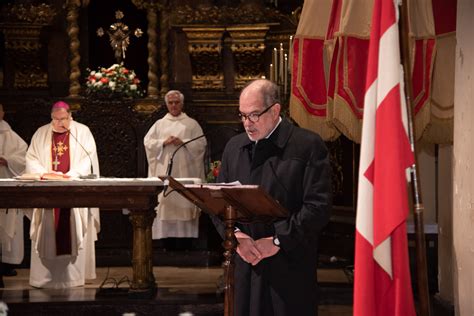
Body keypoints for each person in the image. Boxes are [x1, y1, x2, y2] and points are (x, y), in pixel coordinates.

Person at [211, 79, 332, 316]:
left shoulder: (307, 145)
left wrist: (277, 241)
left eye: (254, 115)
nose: (247, 123)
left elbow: (318, 207)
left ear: (275, 110)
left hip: (289, 265)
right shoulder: (234, 147)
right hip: (245, 261)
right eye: (242, 115)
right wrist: (236, 237)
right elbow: (218, 202)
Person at [25, 101, 100, 289]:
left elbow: (87, 159)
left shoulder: (82, 132)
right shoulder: (41, 133)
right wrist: (44, 174)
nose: (60, 123)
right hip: (47, 192)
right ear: (51, 117)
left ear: (70, 116)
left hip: (74, 192)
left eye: (63, 119)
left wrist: (71, 175)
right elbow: (31, 158)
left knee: (72, 230)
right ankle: (43, 279)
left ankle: (72, 279)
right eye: (56, 119)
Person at [144, 90, 207, 239]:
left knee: (184, 201)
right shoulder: (159, 124)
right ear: (166, 104)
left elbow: (201, 144)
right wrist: (163, 143)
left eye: (176, 102)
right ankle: (164, 242)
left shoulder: (191, 124)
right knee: (166, 202)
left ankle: (186, 242)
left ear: (182, 104)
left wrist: (183, 143)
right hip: (166, 172)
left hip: (185, 171)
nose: (173, 105)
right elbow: (148, 143)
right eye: (170, 103)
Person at [0, 104, 28, 280]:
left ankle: (5, 264)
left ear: (3, 112)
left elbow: (24, 157)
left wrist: (7, 160)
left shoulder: (12, 136)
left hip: (7, 189)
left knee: (7, 227)